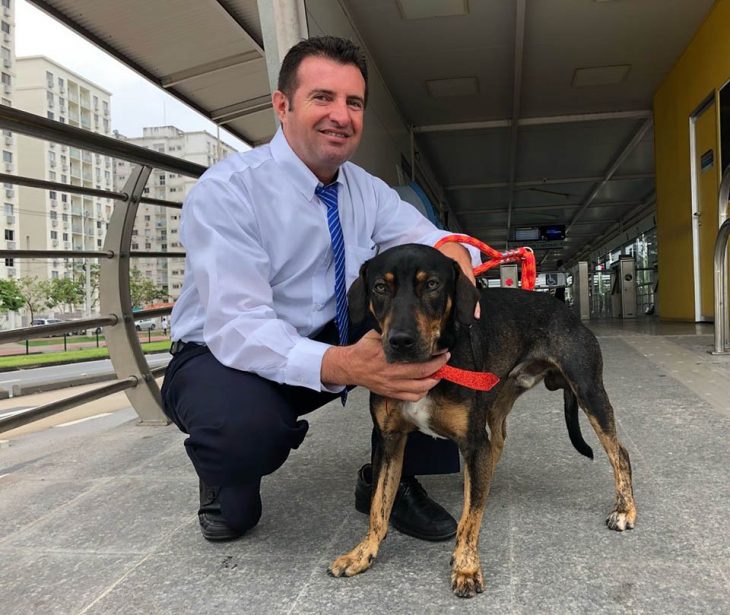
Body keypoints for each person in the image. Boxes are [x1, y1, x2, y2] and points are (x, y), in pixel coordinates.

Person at [161, 36, 480, 543]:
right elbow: (238, 323)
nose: (341, 115)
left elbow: (429, 241)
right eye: (322, 98)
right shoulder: (228, 190)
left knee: (437, 322)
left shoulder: (366, 189)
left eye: (353, 102)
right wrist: (344, 364)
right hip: (221, 354)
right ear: (282, 105)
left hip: (326, 334)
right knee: (242, 437)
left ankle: (388, 480)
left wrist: (458, 258)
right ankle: (225, 475)